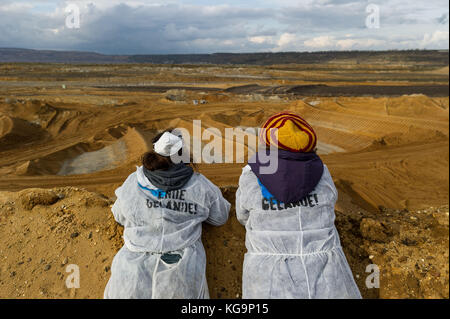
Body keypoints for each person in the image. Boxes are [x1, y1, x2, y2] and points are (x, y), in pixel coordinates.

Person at [235, 111, 361, 299]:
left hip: (267, 277)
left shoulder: (251, 174)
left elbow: (243, 215)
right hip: (327, 274)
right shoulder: (322, 172)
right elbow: (329, 202)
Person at [104, 129, 230, 299]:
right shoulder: (199, 184)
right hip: (181, 271)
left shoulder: (134, 181)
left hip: (131, 272)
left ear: (154, 152)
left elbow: (119, 215)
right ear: (182, 154)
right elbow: (220, 216)